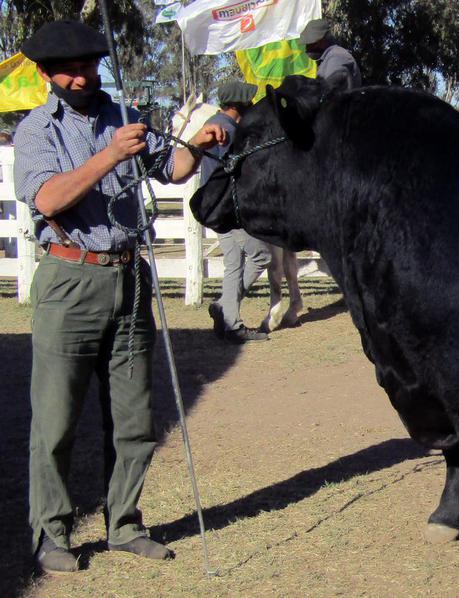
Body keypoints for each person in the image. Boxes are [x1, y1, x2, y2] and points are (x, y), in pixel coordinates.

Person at [13, 19, 226, 574]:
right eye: (71, 68)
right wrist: (109, 156)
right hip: (69, 280)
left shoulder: (124, 116)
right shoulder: (39, 130)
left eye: (89, 64)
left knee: (133, 418)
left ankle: (124, 523)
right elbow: (51, 198)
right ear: (46, 74)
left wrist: (200, 141)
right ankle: (52, 533)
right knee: (56, 420)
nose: (83, 76)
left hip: (131, 279)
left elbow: (173, 169)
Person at [201, 81, 272, 344]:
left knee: (233, 264)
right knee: (261, 256)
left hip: (215, 208)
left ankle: (225, 311)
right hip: (232, 209)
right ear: (239, 105)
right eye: (249, 102)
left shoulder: (213, 122)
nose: (252, 105)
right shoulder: (230, 130)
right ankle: (228, 318)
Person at [298, 19, 362, 90]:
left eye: (311, 43)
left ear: (323, 40)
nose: (307, 47)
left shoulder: (336, 57)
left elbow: (327, 92)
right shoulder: (327, 59)